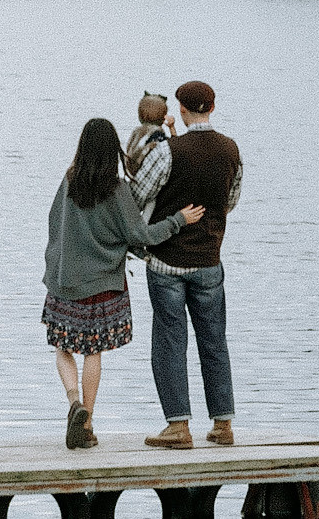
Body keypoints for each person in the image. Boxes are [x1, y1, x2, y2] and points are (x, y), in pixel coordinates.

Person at [44, 116, 202, 450]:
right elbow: (141, 235)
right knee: (93, 352)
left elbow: (55, 225)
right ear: (112, 149)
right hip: (102, 285)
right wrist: (178, 220)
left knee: (63, 348)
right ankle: (87, 420)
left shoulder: (69, 181)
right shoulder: (117, 190)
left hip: (65, 282)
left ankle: (74, 403)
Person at [133, 80, 242, 449]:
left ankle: (178, 426)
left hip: (167, 262)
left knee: (169, 342)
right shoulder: (230, 149)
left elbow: (137, 193)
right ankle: (222, 423)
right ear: (212, 107)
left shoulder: (169, 151)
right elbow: (231, 200)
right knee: (214, 341)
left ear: (181, 109)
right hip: (209, 260)